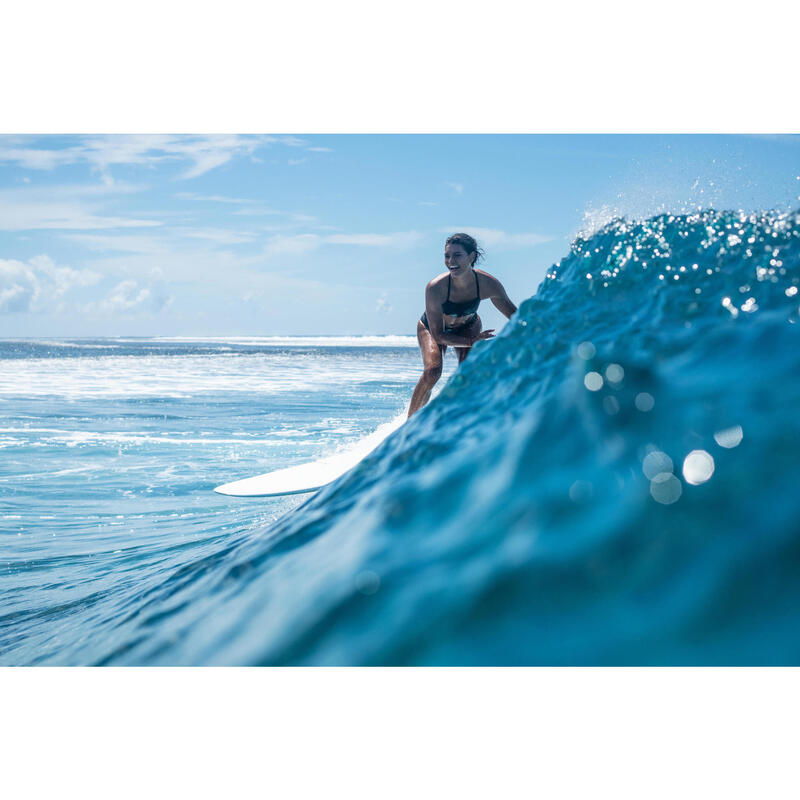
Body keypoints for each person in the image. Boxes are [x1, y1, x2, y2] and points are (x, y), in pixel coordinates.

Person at [408, 232, 517, 417]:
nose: (451, 261)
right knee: (432, 372)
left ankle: (464, 419)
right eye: (447, 256)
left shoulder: (488, 284)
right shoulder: (436, 287)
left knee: (467, 376)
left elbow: (515, 316)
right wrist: (471, 341)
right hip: (433, 329)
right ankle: (409, 425)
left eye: (457, 255)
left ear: (471, 257)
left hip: (469, 326)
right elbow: (439, 336)